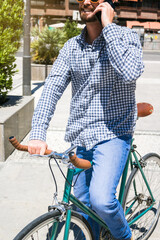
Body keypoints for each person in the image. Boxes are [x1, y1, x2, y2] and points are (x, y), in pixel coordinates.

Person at [28, 0, 144, 239]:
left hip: (114, 132)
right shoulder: (72, 47)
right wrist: (38, 133)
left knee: (101, 200)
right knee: (80, 204)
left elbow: (130, 72)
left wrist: (108, 27)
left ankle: (124, 236)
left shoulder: (126, 37)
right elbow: (51, 89)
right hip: (81, 135)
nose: (86, 1)